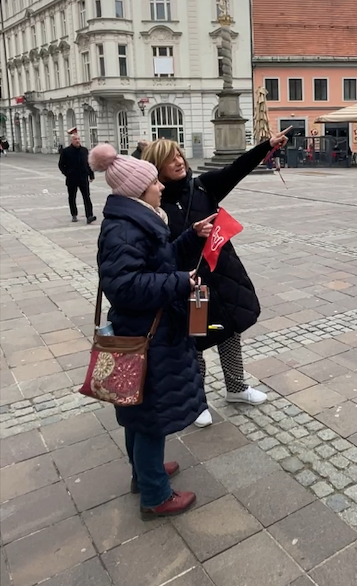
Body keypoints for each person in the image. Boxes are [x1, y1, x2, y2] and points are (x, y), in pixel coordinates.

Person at [89, 143, 215, 519]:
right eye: (154, 181)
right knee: (150, 419)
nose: (161, 185)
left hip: (151, 330)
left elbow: (156, 261)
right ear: (137, 189)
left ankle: (144, 474)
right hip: (147, 334)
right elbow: (124, 287)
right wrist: (179, 283)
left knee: (139, 411)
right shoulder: (125, 229)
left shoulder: (139, 220)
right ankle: (156, 496)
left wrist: (190, 237)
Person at [142, 128, 291, 426]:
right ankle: (198, 402)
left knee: (229, 329)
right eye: (170, 159)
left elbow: (237, 168)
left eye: (179, 154)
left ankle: (236, 388)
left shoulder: (203, 187)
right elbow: (159, 253)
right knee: (196, 339)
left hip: (223, 274)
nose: (179, 161)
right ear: (157, 167)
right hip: (191, 283)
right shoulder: (153, 204)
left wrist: (267, 146)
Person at [58, 129, 97, 223]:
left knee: (87, 197)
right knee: (72, 197)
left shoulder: (84, 150)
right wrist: (67, 173)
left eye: (78, 139)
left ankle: (89, 216)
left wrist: (91, 174)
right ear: (72, 141)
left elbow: (89, 163)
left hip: (83, 177)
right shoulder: (66, 151)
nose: (77, 141)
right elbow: (61, 165)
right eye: (75, 139)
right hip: (72, 178)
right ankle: (74, 214)